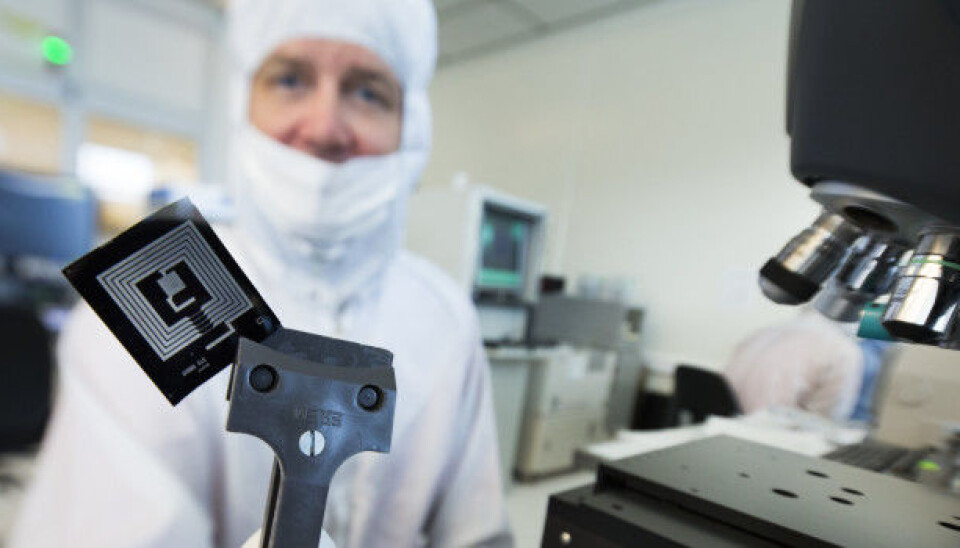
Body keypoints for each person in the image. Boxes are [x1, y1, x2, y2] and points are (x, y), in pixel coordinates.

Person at [10, 1, 513, 546]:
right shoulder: (144, 301)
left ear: (411, 124)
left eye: (368, 91)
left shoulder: (445, 320)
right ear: (242, 99)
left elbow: (475, 533)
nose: (324, 127)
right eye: (291, 79)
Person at [723, 309, 864, 422]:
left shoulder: (769, 330)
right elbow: (825, 424)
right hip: (768, 439)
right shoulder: (843, 351)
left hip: (723, 425)